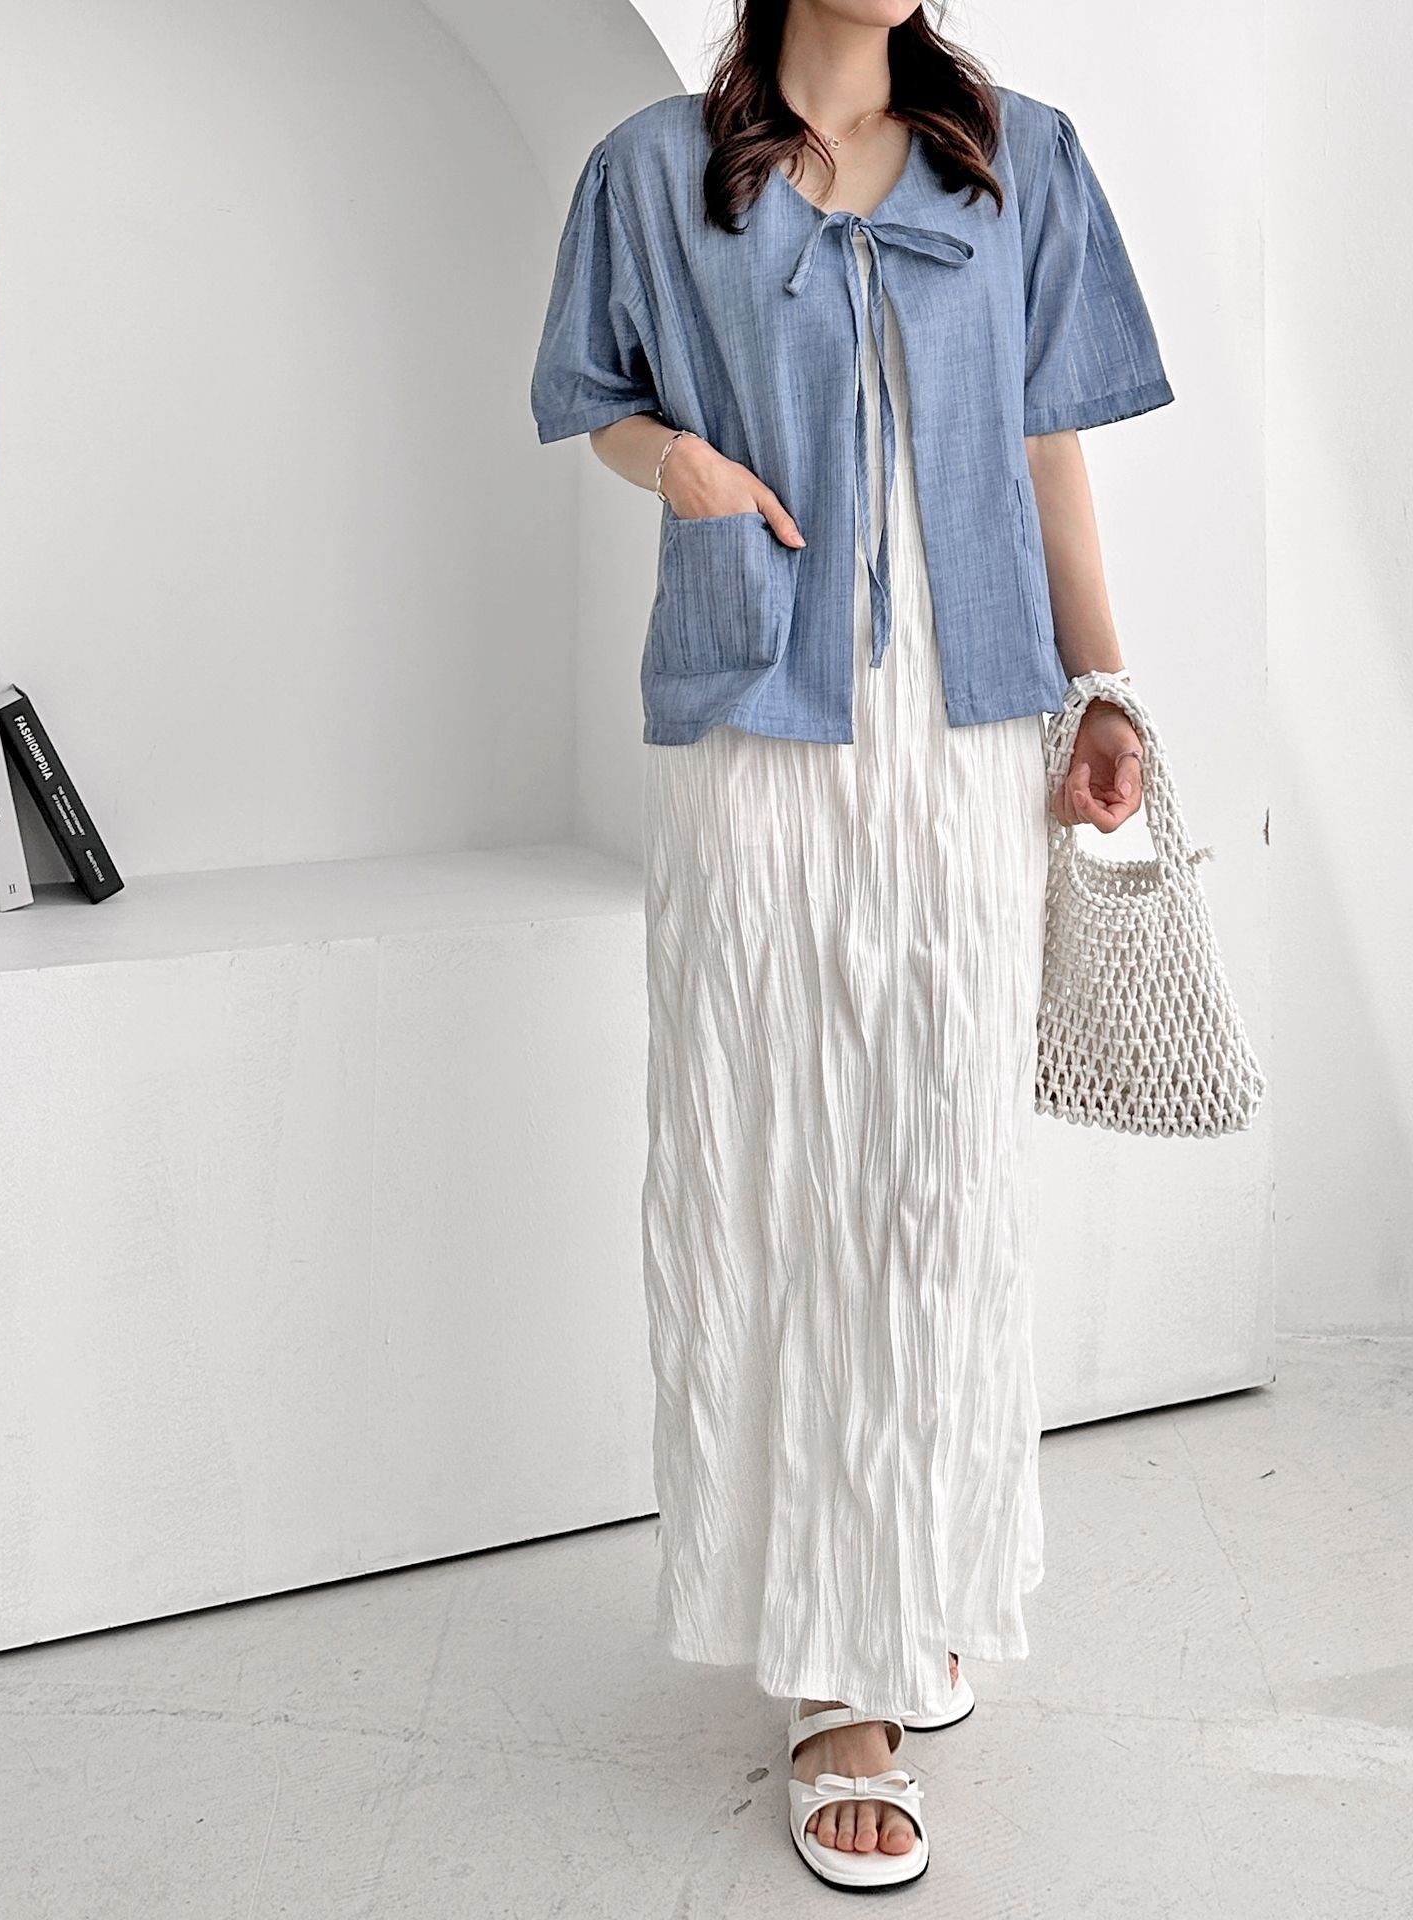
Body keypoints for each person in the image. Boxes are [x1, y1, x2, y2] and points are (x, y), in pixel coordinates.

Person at [530, 0, 1172, 1891]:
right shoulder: (652, 170)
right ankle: (839, 1682)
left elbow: (1050, 445)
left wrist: (1104, 685)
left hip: (965, 741)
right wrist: (682, 466)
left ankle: (908, 1580)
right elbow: (594, 395)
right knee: (785, 1171)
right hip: (762, 731)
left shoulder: (1021, 157)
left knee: (938, 1179)